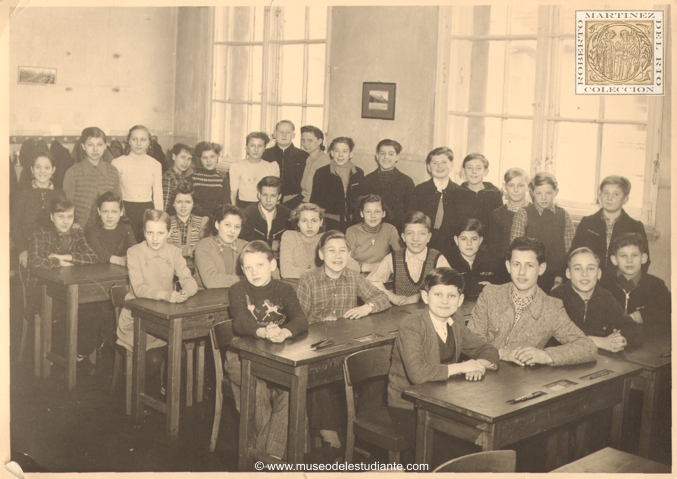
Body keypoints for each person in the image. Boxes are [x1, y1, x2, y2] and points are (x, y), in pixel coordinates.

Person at [297, 230, 391, 449]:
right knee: (317, 378)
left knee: (376, 370)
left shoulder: (354, 277)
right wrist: (320, 319)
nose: (337, 256)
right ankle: (331, 439)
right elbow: (298, 319)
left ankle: (362, 431)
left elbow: (382, 298)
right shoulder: (308, 279)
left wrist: (366, 307)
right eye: (331, 251)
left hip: (346, 348)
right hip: (317, 349)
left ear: (349, 254)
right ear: (321, 254)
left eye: (343, 251)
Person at [387, 268, 499, 448]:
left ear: (460, 299)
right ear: (425, 296)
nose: (445, 301)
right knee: (449, 446)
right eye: (438, 294)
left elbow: (487, 349)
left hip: (443, 401)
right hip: (408, 406)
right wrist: (463, 367)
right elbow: (418, 374)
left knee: (479, 438)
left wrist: (479, 364)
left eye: (452, 296)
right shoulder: (412, 325)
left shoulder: (456, 320)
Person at [224, 241, 309, 460]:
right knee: (258, 388)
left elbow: (301, 319)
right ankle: (271, 460)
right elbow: (240, 322)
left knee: (290, 393)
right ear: (242, 269)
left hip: (274, 358)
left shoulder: (284, 288)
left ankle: (266, 456)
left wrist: (284, 332)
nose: (254, 272)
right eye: (248, 267)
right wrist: (264, 331)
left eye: (260, 265)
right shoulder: (237, 289)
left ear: (273, 264)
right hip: (240, 358)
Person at [467, 237, 597, 366]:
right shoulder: (490, 294)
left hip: (520, 382)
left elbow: (587, 347)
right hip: (480, 373)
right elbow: (470, 341)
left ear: (541, 268)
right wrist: (500, 353)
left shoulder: (551, 308)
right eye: (516, 264)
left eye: (529, 265)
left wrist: (546, 355)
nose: (522, 272)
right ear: (508, 266)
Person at [116, 209, 198, 390]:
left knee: (181, 354)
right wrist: (165, 294)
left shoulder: (174, 252)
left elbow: (189, 280)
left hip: (163, 320)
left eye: (160, 233)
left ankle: (167, 392)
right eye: (150, 232)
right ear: (143, 232)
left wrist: (186, 291)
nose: (154, 238)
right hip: (136, 321)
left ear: (169, 233)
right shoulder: (134, 252)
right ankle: (132, 389)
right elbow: (138, 289)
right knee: (154, 359)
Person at [28, 198, 99, 373]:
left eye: (70, 216)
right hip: (40, 290)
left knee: (92, 310)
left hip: (68, 289)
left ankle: (78, 354)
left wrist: (66, 257)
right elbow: (35, 262)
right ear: (51, 217)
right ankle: (57, 357)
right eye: (61, 216)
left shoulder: (76, 232)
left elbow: (92, 257)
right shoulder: (40, 233)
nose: (66, 221)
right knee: (61, 311)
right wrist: (59, 264)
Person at [551, 247, 642, 352]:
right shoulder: (557, 296)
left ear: (599, 273)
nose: (584, 274)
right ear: (568, 273)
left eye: (590, 268)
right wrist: (600, 342)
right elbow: (557, 337)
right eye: (577, 268)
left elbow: (633, 328)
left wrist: (620, 340)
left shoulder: (605, 296)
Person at [510, 172, 574, 292]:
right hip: (529, 275)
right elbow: (516, 250)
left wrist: (559, 279)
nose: (543, 198)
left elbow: (570, 252)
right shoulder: (523, 214)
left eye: (548, 193)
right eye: (539, 193)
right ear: (532, 193)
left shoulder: (564, 216)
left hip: (558, 276)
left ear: (556, 192)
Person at [368, 211, 450, 306]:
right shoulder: (393, 257)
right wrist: (390, 296)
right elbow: (371, 281)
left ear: (429, 237)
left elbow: (449, 285)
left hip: (430, 313)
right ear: (403, 237)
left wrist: (419, 297)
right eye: (410, 233)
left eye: (422, 233)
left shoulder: (437, 258)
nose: (415, 238)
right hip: (401, 313)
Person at [570, 175, 649, 273]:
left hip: (621, 282)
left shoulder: (635, 226)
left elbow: (644, 262)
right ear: (599, 196)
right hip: (591, 279)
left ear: (625, 199)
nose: (609, 198)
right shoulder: (587, 223)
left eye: (616, 194)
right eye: (606, 193)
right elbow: (574, 254)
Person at [600, 233, 671, 326]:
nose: (629, 260)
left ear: (643, 258)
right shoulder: (604, 284)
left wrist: (639, 316)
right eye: (623, 256)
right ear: (614, 260)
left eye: (634, 255)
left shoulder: (656, 285)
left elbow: (667, 309)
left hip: (643, 337)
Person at [12, 151, 67, 269]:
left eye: (47, 167)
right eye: (38, 167)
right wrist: (22, 250)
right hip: (28, 249)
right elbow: (14, 224)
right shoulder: (22, 193)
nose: (42, 171)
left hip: (53, 249)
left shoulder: (60, 194)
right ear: (32, 169)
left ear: (53, 170)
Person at [112, 125, 164, 242]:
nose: (138, 143)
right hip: (125, 210)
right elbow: (115, 192)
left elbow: (158, 193)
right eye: (134, 139)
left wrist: (160, 218)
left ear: (149, 142)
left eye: (143, 139)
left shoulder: (155, 164)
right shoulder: (117, 163)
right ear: (129, 141)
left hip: (147, 211)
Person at [63, 126, 121, 228]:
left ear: (105, 146)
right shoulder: (72, 172)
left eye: (99, 144)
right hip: (79, 229)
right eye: (90, 145)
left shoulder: (113, 172)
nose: (95, 149)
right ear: (83, 146)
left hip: (106, 229)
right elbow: (67, 204)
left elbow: (119, 203)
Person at [412, 147, 458, 261]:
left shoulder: (459, 192)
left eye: (444, 162)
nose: (439, 166)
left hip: (451, 244)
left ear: (451, 165)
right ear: (428, 167)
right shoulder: (419, 190)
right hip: (424, 242)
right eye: (435, 163)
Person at [310, 137, 364, 232]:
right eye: (336, 151)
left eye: (344, 151)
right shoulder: (321, 173)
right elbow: (315, 201)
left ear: (351, 154)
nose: (340, 155)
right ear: (331, 153)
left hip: (353, 223)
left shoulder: (358, 173)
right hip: (329, 222)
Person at [359, 139, 415, 229]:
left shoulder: (407, 182)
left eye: (391, 154)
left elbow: (409, 212)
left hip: (397, 230)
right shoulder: (366, 180)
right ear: (377, 156)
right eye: (382, 153)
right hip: (371, 230)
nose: (386, 157)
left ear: (397, 157)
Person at [488, 168, 529, 284]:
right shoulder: (497, 214)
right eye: (511, 185)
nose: (516, 190)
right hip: (504, 269)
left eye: (520, 185)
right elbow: (493, 248)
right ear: (505, 187)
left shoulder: (534, 212)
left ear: (528, 187)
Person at [455, 153, 503, 248]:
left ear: (486, 172)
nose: (474, 172)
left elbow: (498, 226)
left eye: (478, 168)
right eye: (469, 168)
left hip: (487, 247)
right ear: (464, 171)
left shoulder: (495, 195)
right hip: (462, 246)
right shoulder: (456, 194)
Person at [194, 204, 248, 288]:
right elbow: (211, 281)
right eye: (227, 225)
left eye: (237, 227)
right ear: (217, 225)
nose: (232, 231)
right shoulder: (204, 245)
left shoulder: (245, 246)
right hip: (208, 298)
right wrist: (249, 279)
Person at [345, 195, 402, 274]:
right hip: (357, 274)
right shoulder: (352, 231)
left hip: (382, 275)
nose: (373, 216)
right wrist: (365, 267)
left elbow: (401, 256)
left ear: (383, 213)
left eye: (377, 211)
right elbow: (345, 259)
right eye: (368, 212)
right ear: (362, 214)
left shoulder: (390, 229)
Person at [262, 120, 309, 209]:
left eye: (287, 132)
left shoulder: (303, 156)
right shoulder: (265, 154)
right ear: (275, 134)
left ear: (293, 135)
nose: (284, 135)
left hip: (295, 202)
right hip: (269, 201)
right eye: (280, 132)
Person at [241, 176, 290, 256]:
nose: (268, 200)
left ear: (279, 196)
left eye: (273, 196)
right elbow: (246, 241)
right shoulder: (249, 213)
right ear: (259, 195)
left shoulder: (285, 213)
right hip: (254, 255)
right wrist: (273, 244)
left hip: (279, 257)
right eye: (264, 195)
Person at [230, 132, 280, 209]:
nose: (256, 150)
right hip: (243, 207)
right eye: (252, 146)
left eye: (260, 146)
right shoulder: (237, 167)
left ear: (264, 148)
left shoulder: (271, 167)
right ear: (246, 147)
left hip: (265, 207)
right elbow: (233, 194)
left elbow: (275, 193)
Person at [85, 191, 136, 267]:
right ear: (99, 211)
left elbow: (134, 249)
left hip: (119, 271)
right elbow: (99, 253)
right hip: (96, 270)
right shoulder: (92, 230)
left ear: (121, 212)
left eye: (114, 212)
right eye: (105, 211)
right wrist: (118, 260)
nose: (109, 216)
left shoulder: (126, 228)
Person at [447, 219, 496, 298]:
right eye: (464, 239)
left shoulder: (490, 261)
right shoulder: (448, 263)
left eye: (474, 239)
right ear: (456, 240)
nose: (469, 243)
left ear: (480, 240)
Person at [279, 203, 324, 279]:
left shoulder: (326, 238)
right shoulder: (289, 236)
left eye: (314, 220)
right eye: (304, 221)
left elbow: (349, 264)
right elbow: (285, 271)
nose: (309, 226)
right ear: (298, 223)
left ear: (321, 222)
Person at [167, 183, 209, 259]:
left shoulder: (202, 222)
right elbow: (166, 246)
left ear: (193, 204)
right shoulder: (166, 222)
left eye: (187, 202)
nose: (183, 206)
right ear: (173, 204)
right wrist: (188, 251)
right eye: (179, 202)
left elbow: (204, 246)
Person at [191, 141, 231, 218]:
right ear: (200, 159)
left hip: (216, 221)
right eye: (204, 157)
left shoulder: (223, 181)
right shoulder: (192, 179)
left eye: (212, 156)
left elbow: (226, 208)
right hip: (196, 220)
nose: (208, 161)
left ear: (218, 156)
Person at [299, 125, 331, 203]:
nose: (305, 144)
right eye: (303, 140)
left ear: (319, 141)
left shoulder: (323, 160)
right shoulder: (309, 158)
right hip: (304, 198)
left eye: (310, 140)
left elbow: (320, 192)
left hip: (313, 202)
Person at [162, 143, 194, 211]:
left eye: (189, 159)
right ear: (174, 156)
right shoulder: (168, 177)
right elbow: (165, 207)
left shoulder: (184, 178)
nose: (186, 162)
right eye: (183, 157)